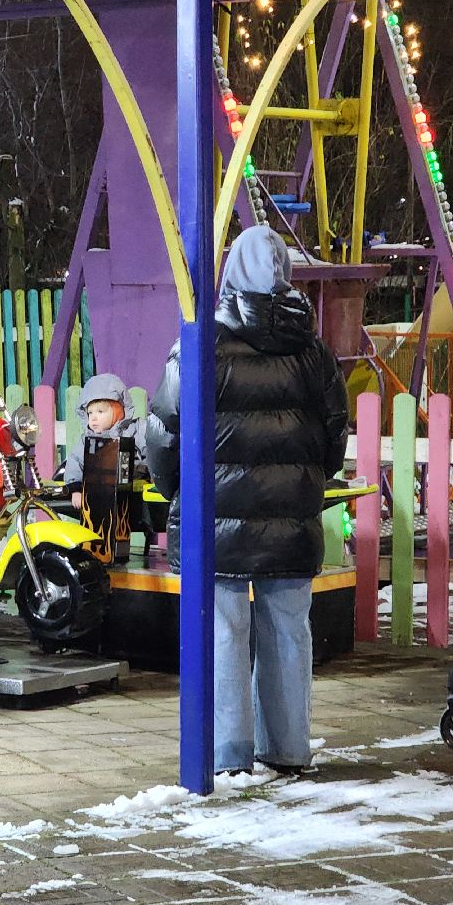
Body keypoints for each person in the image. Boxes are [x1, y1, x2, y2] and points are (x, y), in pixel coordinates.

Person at [146, 224, 349, 775]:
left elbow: (165, 433)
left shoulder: (200, 344)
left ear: (231, 271)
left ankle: (229, 753)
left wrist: (178, 493)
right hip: (292, 520)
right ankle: (288, 747)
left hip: (217, 521)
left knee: (223, 631)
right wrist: (299, 484)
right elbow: (335, 440)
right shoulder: (315, 352)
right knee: (289, 632)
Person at [63, 373, 148, 509]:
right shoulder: (87, 441)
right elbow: (75, 462)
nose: (93, 418)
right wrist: (75, 490)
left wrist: (150, 472)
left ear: (117, 411)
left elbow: (153, 448)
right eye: (90, 413)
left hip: (134, 494)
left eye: (100, 412)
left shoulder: (133, 430)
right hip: (99, 497)